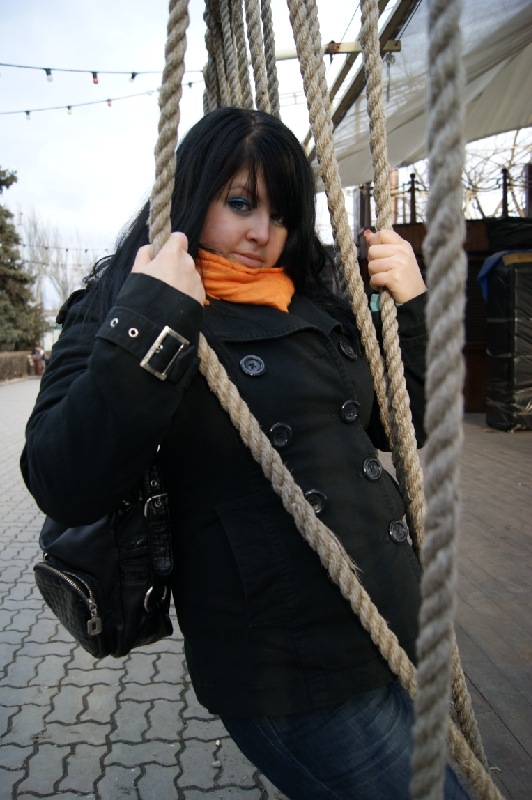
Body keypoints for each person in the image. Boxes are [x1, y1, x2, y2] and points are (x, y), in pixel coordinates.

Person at [20, 107, 468, 800]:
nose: (263, 233)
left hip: (390, 618)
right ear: (192, 194)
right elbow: (61, 478)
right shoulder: (123, 299)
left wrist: (413, 307)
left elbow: (406, 426)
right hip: (292, 664)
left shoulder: (315, 296)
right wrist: (149, 316)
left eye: (282, 214)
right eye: (240, 204)